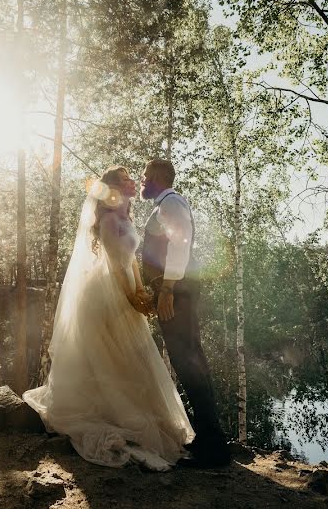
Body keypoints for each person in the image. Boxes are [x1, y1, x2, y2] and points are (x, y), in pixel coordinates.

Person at [23, 166, 194, 471]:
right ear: (114, 188)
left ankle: (141, 417)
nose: (133, 182)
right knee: (112, 356)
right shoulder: (108, 220)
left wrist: (140, 291)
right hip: (107, 294)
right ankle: (115, 417)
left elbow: (132, 263)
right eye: (127, 179)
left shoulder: (126, 217)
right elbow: (116, 266)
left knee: (131, 355)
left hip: (126, 288)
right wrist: (131, 297)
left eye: (133, 178)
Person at [140, 158, 231, 468]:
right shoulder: (165, 204)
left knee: (189, 362)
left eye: (144, 177)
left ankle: (214, 448)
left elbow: (179, 245)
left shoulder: (172, 203)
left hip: (176, 292)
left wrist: (166, 289)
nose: (141, 182)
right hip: (174, 290)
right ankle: (208, 439)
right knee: (189, 361)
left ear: (157, 177)